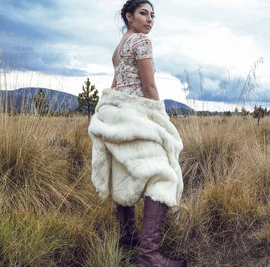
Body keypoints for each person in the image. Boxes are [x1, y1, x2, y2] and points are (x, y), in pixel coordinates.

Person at [88, 0, 186, 266]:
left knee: (126, 171)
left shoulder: (119, 49)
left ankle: (129, 236)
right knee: (163, 175)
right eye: (143, 13)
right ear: (128, 17)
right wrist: (162, 119)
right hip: (140, 116)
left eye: (153, 15)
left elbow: (115, 83)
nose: (150, 19)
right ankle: (148, 255)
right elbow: (149, 86)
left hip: (119, 117)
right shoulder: (142, 42)